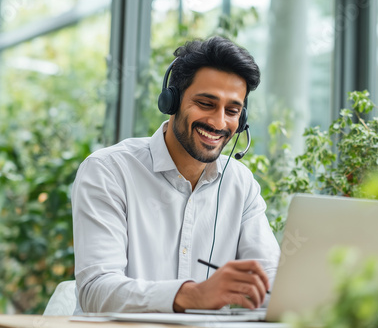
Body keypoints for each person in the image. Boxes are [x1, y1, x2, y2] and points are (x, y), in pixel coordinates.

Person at [72, 36, 280, 314]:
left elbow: (270, 286)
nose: (219, 123)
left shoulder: (241, 185)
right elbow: (96, 291)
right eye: (206, 103)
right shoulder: (109, 171)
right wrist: (193, 295)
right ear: (172, 101)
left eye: (232, 111)